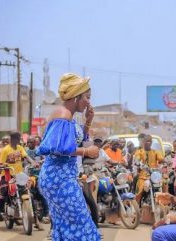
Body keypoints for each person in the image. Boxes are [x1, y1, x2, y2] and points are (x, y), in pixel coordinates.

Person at [36, 73, 100, 241]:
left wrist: (88, 122)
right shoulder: (63, 115)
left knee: (66, 224)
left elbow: (76, 142)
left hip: (63, 177)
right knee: (81, 223)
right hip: (58, 179)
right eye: (87, 97)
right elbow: (58, 148)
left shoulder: (68, 117)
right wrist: (86, 152)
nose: (88, 102)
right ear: (76, 96)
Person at [0, 131, 35, 231]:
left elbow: (26, 156)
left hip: (19, 176)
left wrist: (33, 162)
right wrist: (4, 165)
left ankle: (36, 220)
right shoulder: (5, 150)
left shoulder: (20, 148)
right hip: (7, 176)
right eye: (18, 138)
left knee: (30, 194)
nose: (19, 140)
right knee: (2, 196)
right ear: (13, 139)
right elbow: (1, 162)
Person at [134, 134, 164, 204]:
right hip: (143, 175)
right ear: (143, 142)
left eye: (150, 141)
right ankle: (137, 206)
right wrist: (138, 163)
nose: (148, 143)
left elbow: (161, 159)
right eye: (147, 141)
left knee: (164, 183)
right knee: (140, 190)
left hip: (154, 175)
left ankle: (166, 202)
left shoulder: (155, 151)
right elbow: (137, 160)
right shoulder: (139, 151)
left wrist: (166, 162)